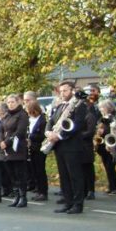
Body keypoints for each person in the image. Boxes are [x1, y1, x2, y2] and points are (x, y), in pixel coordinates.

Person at [46, 80, 91, 214]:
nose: (62, 93)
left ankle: (78, 204)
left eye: (65, 90)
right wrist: (48, 132)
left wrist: (59, 136)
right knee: (64, 175)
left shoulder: (79, 105)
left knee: (75, 176)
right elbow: (51, 121)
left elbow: (77, 125)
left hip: (72, 146)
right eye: (61, 91)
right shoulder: (60, 106)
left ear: (72, 90)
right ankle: (68, 202)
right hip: (59, 146)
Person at [0, 94, 30, 208]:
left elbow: (20, 131)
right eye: (9, 102)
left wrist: (6, 142)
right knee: (11, 175)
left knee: (19, 174)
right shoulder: (6, 116)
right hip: (6, 150)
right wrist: (0, 141)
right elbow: (0, 129)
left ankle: (23, 197)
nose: (10, 104)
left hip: (17, 149)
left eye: (13, 102)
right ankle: (16, 196)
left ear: (18, 103)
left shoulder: (22, 115)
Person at [25, 97, 49, 202]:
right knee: (34, 170)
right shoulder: (30, 120)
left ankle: (43, 192)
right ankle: (38, 190)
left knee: (40, 171)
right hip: (32, 148)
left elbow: (42, 136)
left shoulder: (42, 120)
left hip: (39, 148)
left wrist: (30, 137)